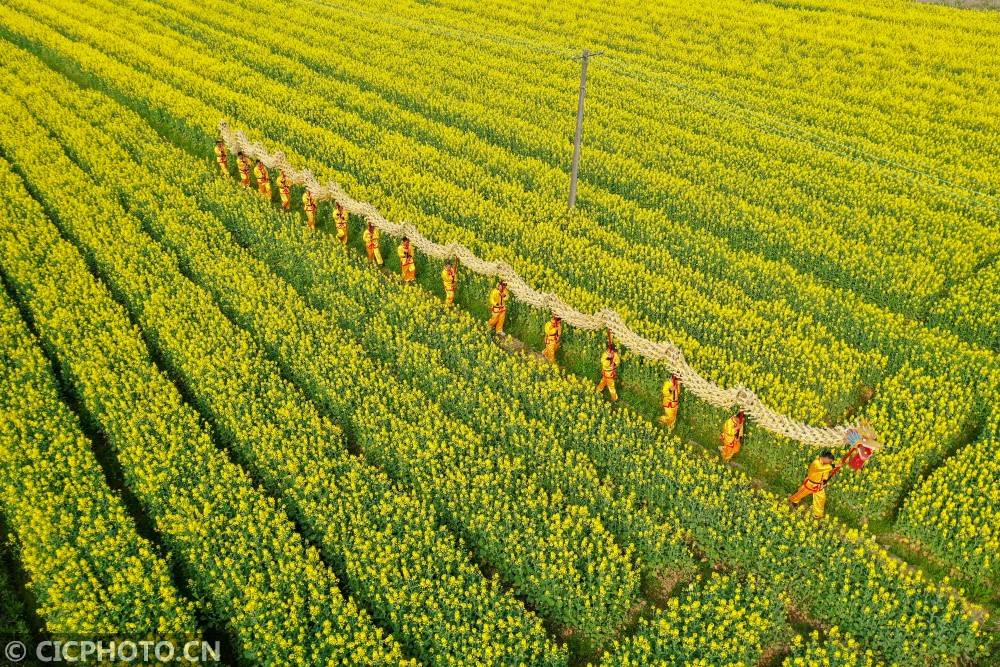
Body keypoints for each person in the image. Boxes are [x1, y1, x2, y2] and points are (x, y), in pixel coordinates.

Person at [788, 450, 841, 519]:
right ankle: (793, 500)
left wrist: (824, 481)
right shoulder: (816, 463)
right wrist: (834, 465)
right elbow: (821, 469)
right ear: (826, 458)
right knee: (801, 493)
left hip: (819, 485)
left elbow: (825, 473)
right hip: (810, 484)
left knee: (821, 498)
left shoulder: (826, 465)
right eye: (830, 461)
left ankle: (817, 513)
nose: (830, 463)